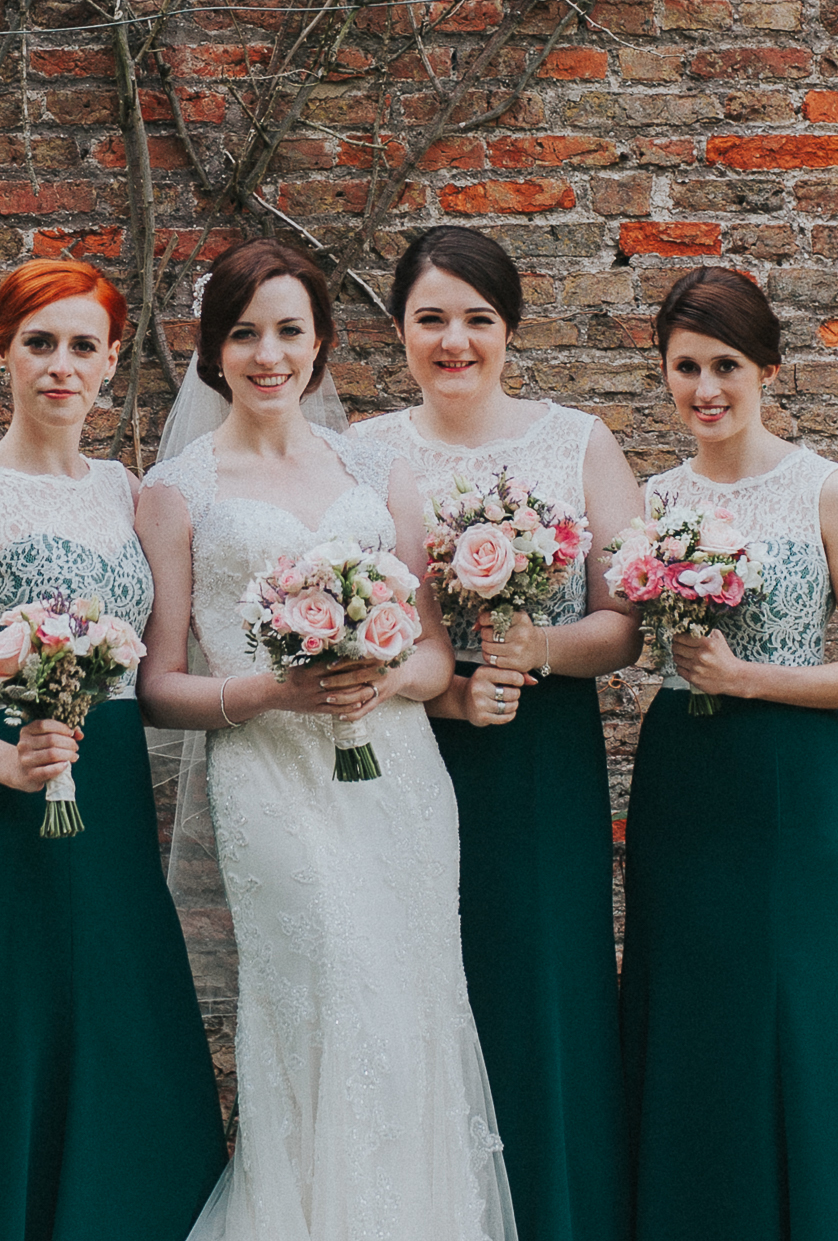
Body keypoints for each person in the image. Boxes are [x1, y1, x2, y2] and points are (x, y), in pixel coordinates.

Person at [136, 237, 518, 1241]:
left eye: (289, 332)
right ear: (213, 349)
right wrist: (271, 691)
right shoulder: (176, 489)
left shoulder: (372, 468)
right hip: (270, 785)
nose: (269, 355)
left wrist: (380, 674)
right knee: (323, 1004)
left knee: (406, 1013)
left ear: (321, 345)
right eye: (245, 333)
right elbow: (158, 685)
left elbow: (435, 661)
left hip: (395, 777)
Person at [0, 258, 225, 1241]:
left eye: (82, 345)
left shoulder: (133, 495)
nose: (60, 365)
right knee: (27, 1062)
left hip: (115, 812)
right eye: (38, 342)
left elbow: (157, 682)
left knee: (139, 1056)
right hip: (16, 816)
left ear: (112, 361)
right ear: (0, 353)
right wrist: (10, 762)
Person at [350, 225, 643, 1241]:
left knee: (543, 984)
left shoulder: (578, 442)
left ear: (508, 328)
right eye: (430, 319)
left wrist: (537, 648)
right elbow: (354, 623)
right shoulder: (365, 453)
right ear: (399, 330)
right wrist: (443, 696)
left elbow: (623, 624)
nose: (454, 341)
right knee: (423, 986)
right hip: (411, 750)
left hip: (539, 754)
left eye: (476, 319)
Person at [619, 266, 838, 1241]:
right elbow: (621, 636)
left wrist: (746, 681)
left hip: (790, 778)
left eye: (724, 365)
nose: (703, 387)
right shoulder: (652, 499)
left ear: (767, 369)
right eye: (684, 367)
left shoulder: (825, 490)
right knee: (687, 991)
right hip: (682, 771)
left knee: (798, 989)